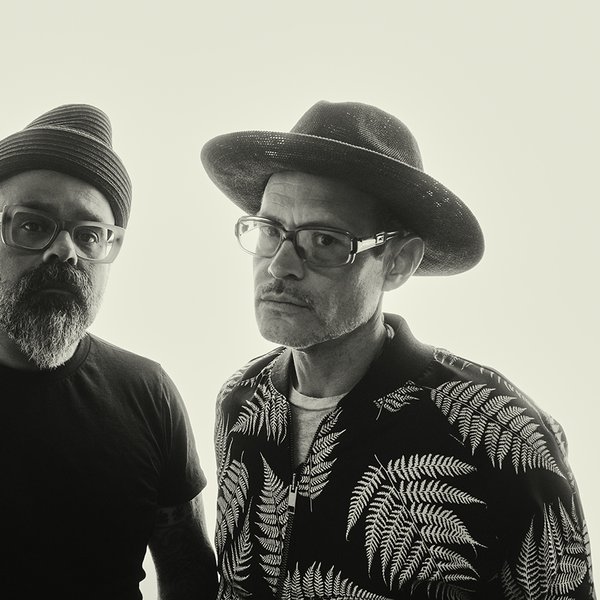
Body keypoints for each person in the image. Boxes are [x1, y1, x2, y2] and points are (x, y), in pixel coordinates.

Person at [200, 100, 595, 599]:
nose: (280, 266)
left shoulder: (503, 429)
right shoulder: (240, 401)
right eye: (269, 231)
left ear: (399, 262)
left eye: (324, 241)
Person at [0, 104, 217, 599]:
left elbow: (188, 570)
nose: (65, 251)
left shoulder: (148, 391)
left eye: (89, 235)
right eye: (32, 225)